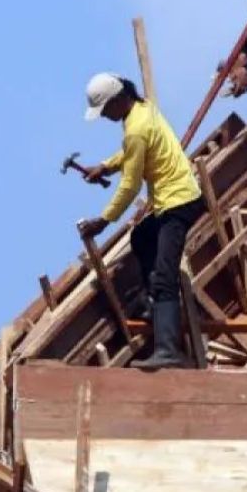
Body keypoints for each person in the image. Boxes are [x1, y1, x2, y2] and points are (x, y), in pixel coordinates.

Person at [76, 73, 204, 370]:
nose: (106, 116)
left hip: (178, 204)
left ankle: (169, 350)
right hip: (174, 199)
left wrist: (104, 220)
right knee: (142, 237)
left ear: (119, 100)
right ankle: (154, 305)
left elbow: (131, 185)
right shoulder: (143, 109)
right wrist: (106, 166)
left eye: (106, 109)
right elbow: (134, 150)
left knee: (164, 275)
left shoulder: (135, 128)